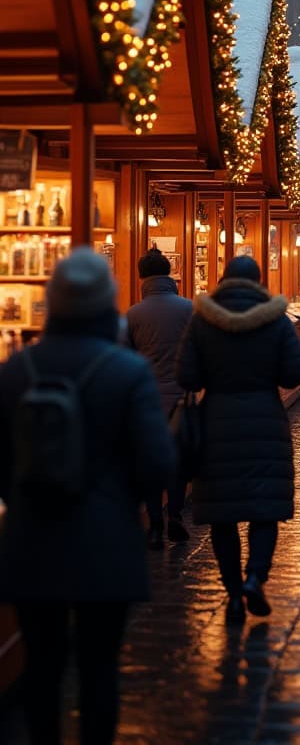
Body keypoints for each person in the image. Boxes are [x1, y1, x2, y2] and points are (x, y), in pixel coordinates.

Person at [0, 249, 175, 745]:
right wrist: (128, 501)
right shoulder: (125, 371)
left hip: (31, 540)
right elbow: (158, 463)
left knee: (42, 664)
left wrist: (22, 495)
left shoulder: (15, 371)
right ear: (106, 304)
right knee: (100, 668)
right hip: (106, 541)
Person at [176, 254, 300, 622]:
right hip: (265, 422)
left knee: (224, 514)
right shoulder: (276, 320)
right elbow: (294, 372)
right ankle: (255, 579)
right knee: (264, 509)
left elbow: (187, 377)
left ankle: (233, 594)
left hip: (216, 424)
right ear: (259, 280)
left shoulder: (203, 320)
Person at [126, 245, 195, 547]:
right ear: (169, 274)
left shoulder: (133, 314)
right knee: (178, 462)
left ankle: (154, 523)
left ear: (142, 278)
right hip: (181, 397)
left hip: (147, 401)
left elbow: (124, 357)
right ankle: (175, 514)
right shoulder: (188, 308)